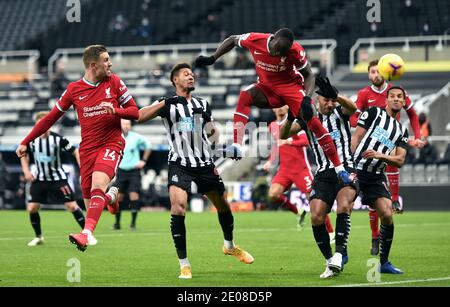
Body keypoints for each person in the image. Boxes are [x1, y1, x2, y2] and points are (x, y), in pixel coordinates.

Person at [16, 45, 139, 252]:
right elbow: (49, 119)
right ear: (93, 65)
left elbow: (135, 112)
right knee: (92, 201)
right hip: (88, 150)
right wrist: (26, 141)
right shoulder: (74, 89)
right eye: (106, 60)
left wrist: (116, 111)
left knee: (98, 185)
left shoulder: (115, 82)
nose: (110, 64)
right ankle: (111, 197)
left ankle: (86, 233)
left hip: (111, 143)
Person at [194, 28, 354, 185]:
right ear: (273, 39)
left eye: (283, 52)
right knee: (245, 96)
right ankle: (237, 145)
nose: (279, 55)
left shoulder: (295, 50)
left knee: (313, 120)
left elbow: (309, 75)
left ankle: (340, 168)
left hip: (291, 88)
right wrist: (212, 58)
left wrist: (306, 98)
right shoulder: (256, 40)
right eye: (278, 50)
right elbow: (232, 39)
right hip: (267, 88)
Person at [138, 63, 254, 279]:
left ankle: (229, 245)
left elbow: (211, 135)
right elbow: (139, 116)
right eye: (185, 74)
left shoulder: (203, 104)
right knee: (178, 208)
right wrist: (164, 102)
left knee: (223, 206)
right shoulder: (167, 104)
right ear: (175, 80)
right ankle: (184, 264)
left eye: (192, 74)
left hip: (204, 163)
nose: (191, 77)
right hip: (179, 164)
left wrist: (226, 149)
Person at [286, 77, 358, 278]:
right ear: (317, 99)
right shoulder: (308, 117)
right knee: (316, 217)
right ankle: (329, 261)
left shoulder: (340, 112)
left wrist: (337, 97)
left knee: (343, 206)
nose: (329, 103)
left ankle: (339, 254)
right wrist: (292, 115)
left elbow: (353, 108)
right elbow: (284, 134)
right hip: (323, 174)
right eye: (326, 100)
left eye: (332, 100)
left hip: (345, 168)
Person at [349, 59, 424, 255]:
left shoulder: (395, 92)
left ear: (384, 72)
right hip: (369, 144)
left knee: (391, 166)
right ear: (368, 75)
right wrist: (365, 125)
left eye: (377, 71)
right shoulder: (365, 95)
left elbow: (413, 114)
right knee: (357, 202)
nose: (375, 75)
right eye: (372, 72)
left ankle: (395, 198)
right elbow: (354, 118)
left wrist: (417, 137)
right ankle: (369, 238)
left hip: (392, 140)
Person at [351, 86, 410, 274]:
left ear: (404, 101)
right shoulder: (373, 113)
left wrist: (380, 156)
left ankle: (384, 263)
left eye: (399, 97)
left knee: (387, 214)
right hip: (357, 170)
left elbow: (400, 160)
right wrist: (350, 164)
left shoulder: (402, 130)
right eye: (392, 96)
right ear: (386, 99)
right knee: (344, 208)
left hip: (376, 176)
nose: (395, 99)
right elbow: (357, 137)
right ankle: (339, 255)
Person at [19, 111, 97, 246]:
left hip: (58, 179)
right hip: (40, 179)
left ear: (49, 125)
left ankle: (87, 234)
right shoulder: (32, 141)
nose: (42, 128)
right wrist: (26, 171)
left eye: (44, 125)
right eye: (39, 126)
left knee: (72, 206)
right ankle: (38, 237)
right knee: (32, 208)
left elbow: (75, 151)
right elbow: (23, 154)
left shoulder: (58, 139)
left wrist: (82, 168)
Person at [263, 105, 335, 236]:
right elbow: (276, 145)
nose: (279, 108)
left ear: (287, 108)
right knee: (273, 194)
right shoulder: (272, 126)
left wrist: (289, 141)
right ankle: (298, 211)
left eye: (283, 106)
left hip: (301, 169)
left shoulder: (295, 124)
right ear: (273, 109)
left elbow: (306, 140)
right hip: (284, 170)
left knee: (315, 202)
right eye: (276, 107)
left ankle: (330, 232)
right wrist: (270, 160)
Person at [113, 119, 152, 230]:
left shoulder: (135, 137)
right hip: (121, 171)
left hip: (134, 171)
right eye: (124, 124)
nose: (126, 126)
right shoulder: (115, 136)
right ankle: (117, 223)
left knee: (134, 195)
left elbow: (148, 145)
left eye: (128, 124)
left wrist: (143, 160)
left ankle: (133, 224)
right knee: (118, 197)